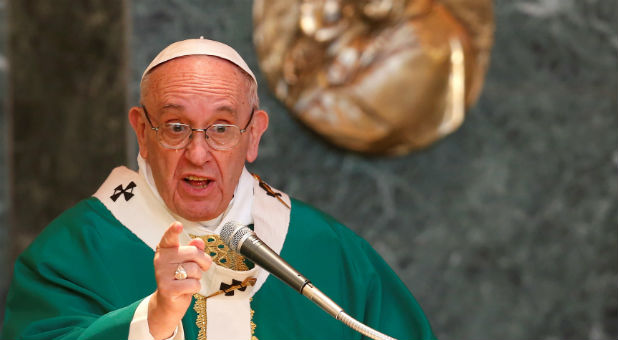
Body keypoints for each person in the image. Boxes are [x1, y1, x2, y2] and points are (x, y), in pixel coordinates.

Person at [1, 38, 435, 340]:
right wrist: (151, 322)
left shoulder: (329, 253)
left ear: (254, 136)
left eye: (222, 128)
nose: (197, 153)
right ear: (141, 132)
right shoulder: (74, 251)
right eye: (175, 127)